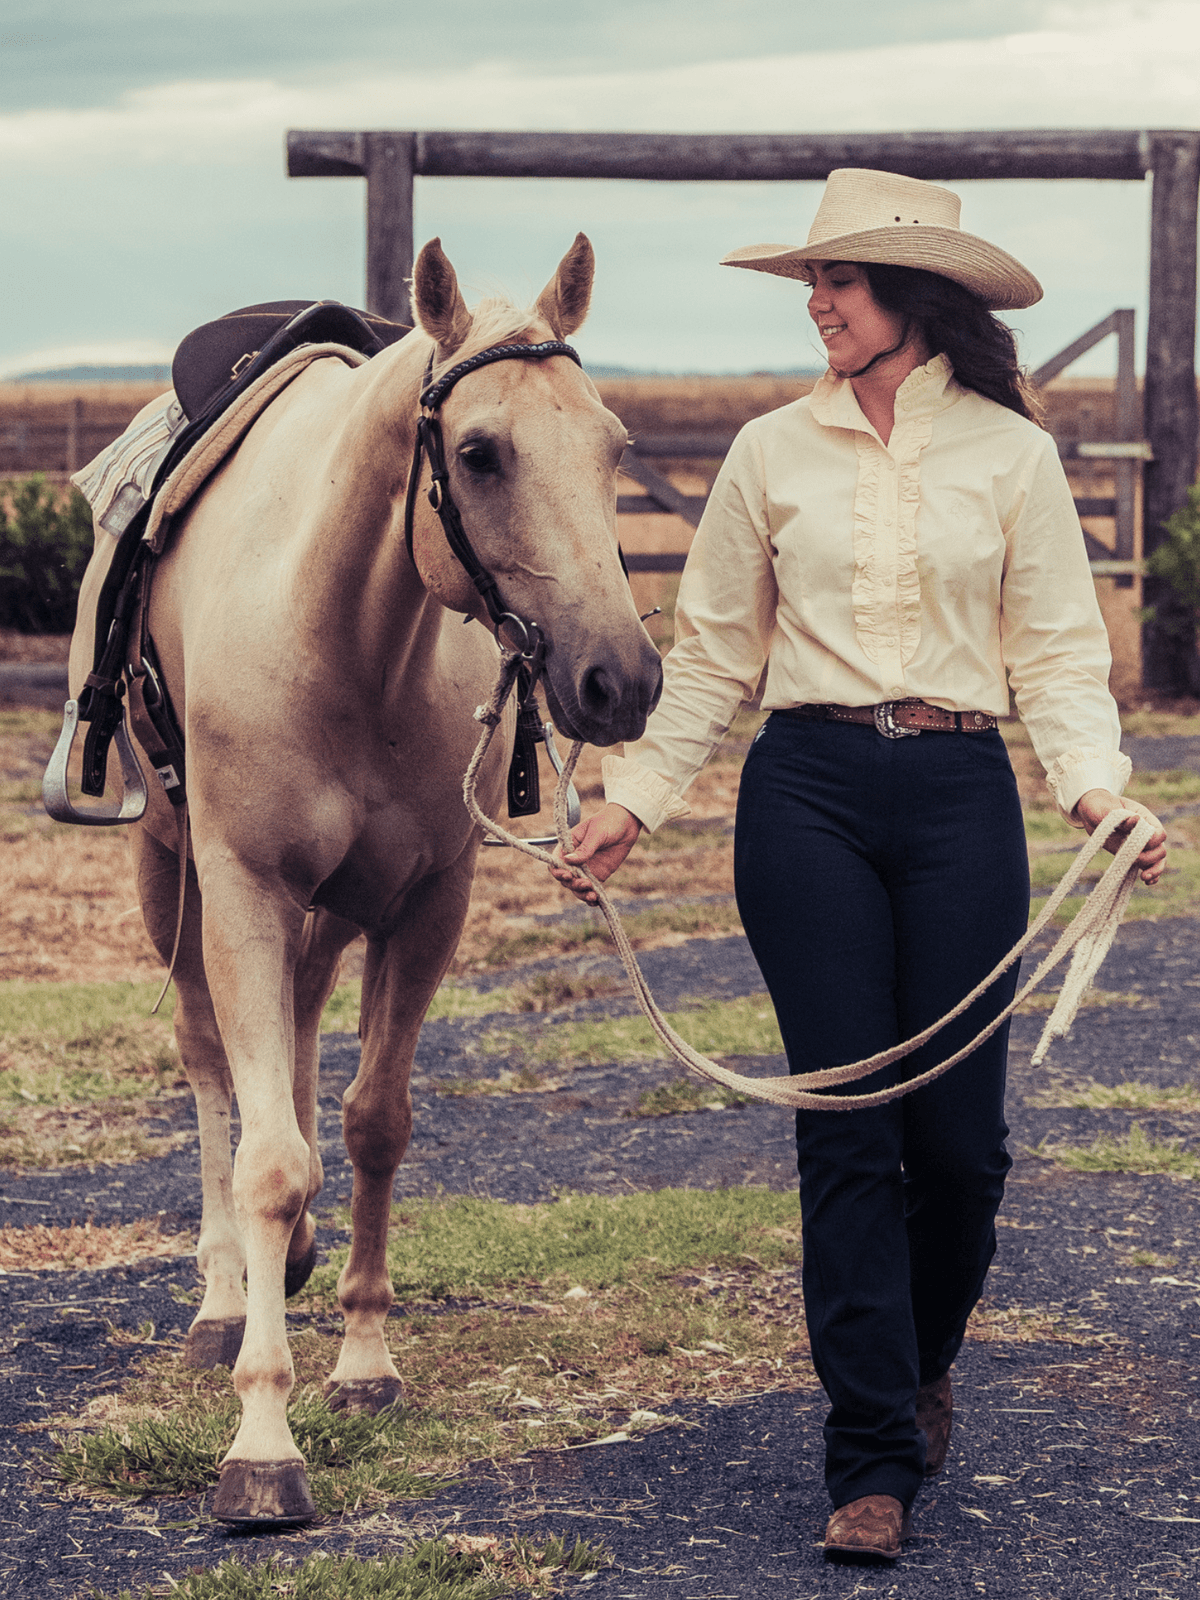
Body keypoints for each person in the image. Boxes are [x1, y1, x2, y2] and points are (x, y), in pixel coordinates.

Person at [550, 168, 1167, 1562]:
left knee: (961, 1152)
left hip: (960, 793)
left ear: (911, 294)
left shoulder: (1010, 456)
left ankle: (919, 1356)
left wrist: (1095, 794)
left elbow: (1060, 652)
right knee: (849, 1127)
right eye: (813, 282)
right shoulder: (771, 452)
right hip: (807, 793)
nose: (816, 302)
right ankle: (872, 1458)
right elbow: (713, 653)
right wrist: (634, 802)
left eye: (838, 279)